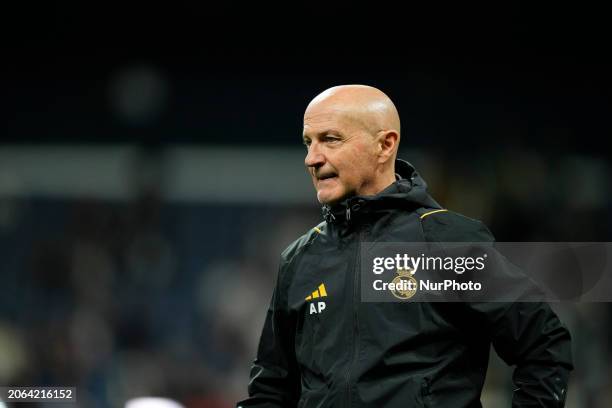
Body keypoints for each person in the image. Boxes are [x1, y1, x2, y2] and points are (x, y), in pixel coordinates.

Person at [237, 85, 573, 407]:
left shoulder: (447, 242)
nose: (312, 158)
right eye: (307, 142)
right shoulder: (300, 258)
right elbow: (271, 388)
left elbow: (543, 346)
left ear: (385, 145)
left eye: (331, 140)